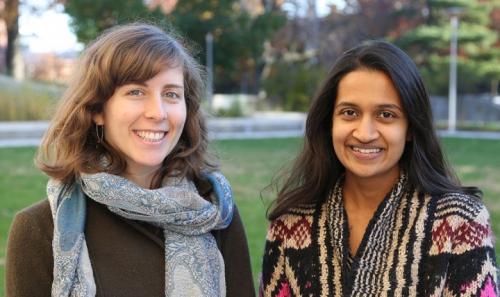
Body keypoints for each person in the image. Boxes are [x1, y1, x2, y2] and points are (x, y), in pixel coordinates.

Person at [6, 23, 255, 297]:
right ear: (97, 109)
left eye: (171, 94)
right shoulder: (40, 228)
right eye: (136, 91)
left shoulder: (216, 213)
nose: (158, 112)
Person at [260, 40, 498, 296]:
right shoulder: (291, 223)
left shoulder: (459, 222)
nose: (365, 133)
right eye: (349, 112)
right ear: (329, 122)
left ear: (410, 129)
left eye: (386, 115)